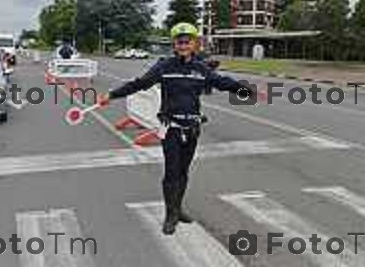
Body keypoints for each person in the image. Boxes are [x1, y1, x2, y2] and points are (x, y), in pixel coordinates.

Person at [98, 22, 253, 235]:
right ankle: (171, 214)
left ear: (194, 44)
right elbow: (139, 83)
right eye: (179, 42)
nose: (183, 45)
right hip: (171, 128)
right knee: (171, 172)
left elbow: (222, 82)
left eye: (187, 41)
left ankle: (178, 208)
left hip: (192, 128)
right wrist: (112, 95)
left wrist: (244, 91)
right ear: (174, 44)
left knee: (183, 171)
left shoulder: (201, 69)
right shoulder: (164, 67)